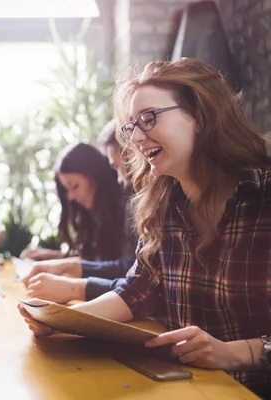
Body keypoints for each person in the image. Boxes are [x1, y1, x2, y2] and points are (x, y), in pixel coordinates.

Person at [19, 58, 271, 397]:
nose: (136, 137)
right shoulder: (164, 207)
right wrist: (57, 320)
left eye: (148, 118)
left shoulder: (263, 195)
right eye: (130, 127)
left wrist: (238, 352)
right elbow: (136, 292)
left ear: (199, 114)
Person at [21, 142, 136, 302]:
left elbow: (133, 270)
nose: (70, 197)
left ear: (96, 176)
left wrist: (70, 273)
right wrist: (57, 258)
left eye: (74, 186)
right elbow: (99, 260)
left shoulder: (131, 204)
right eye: (66, 190)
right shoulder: (95, 214)